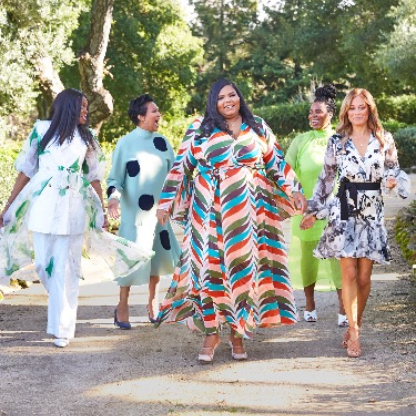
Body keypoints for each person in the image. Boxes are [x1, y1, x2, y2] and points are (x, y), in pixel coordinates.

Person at [156, 78, 307, 363]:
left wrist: (295, 191)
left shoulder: (258, 127)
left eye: (232, 95)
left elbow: (276, 163)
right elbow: (181, 168)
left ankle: (238, 334)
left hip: (250, 214)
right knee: (209, 270)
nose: (228, 101)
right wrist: (165, 202)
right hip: (209, 212)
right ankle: (211, 333)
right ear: (213, 102)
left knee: (243, 270)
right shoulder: (200, 130)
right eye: (221, 97)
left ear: (240, 97)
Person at [0, 89, 152, 348]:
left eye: (87, 108)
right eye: (82, 107)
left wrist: (101, 210)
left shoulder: (87, 138)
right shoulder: (41, 130)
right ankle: (59, 307)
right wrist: (8, 205)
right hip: (44, 204)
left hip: (74, 205)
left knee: (67, 268)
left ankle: (63, 329)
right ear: (68, 107)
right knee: (43, 266)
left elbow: (94, 176)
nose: (86, 112)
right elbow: (26, 170)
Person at [300, 88, 409, 358]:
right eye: (352, 108)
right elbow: (325, 180)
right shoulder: (337, 142)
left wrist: (393, 181)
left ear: (370, 110)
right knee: (348, 273)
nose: (357, 112)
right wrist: (313, 210)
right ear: (346, 112)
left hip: (372, 210)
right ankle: (355, 330)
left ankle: (354, 323)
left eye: (362, 107)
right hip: (344, 208)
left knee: (364, 277)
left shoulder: (384, 140)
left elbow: (393, 170)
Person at [107, 94, 180, 329]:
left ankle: (153, 303)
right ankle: (122, 305)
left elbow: (176, 176)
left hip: (159, 214)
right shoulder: (125, 143)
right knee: (130, 259)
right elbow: (114, 179)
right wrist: (113, 201)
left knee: (157, 260)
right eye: (154, 111)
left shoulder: (163, 142)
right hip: (134, 215)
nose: (159, 115)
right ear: (140, 116)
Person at [285, 85, 346, 326]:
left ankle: (343, 310)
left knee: (337, 259)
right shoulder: (300, 141)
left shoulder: (341, 141)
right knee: (308, 259)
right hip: (305, 211)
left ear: (330, 114)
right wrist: (292, 194)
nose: (313, 115)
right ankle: (309, 306)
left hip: (336, 210)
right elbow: (286, 172)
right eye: (311, 112)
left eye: (318, 112)